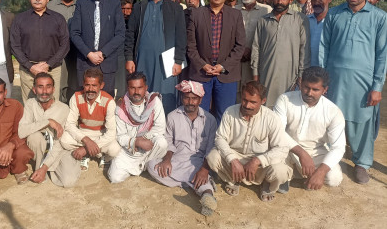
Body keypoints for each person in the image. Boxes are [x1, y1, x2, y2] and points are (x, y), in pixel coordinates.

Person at [319, 0, 387, 184]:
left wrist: (377, 86)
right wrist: (322, 79)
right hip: (335, 79)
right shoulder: (335, 14)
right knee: (332, 120)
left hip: (364, 81)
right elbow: (324, 47)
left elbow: (382, 54)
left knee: (362, 122)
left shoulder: (379, 17)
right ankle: (331, 159)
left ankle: (361, 164)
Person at [206, 81, 291, 202]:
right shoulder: (230, 112)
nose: (247, 105)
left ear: (263, 101)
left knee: (280, 171)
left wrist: (258, 161)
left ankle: (267, 185)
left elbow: (282, 148)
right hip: (236, 158)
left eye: (253, 102)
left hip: (261, 165)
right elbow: (220, 138)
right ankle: (233, 179)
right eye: (245, 100)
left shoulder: (271, 118)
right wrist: (233, 160)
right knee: (213, 157)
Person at [147, 80, 217, 216]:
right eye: (186, 98)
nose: (190, 102)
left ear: (200, 99)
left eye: (194, 98)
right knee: (151, 165)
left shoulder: (210, 119)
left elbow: (211, 148)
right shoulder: (173, 116)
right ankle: (199, 186)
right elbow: (169, 141)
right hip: (177, 159)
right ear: (181, 98)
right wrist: (167, 160)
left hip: (199, 161)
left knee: (202, 171)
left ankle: (207, 194)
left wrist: (204, 169)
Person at [273, 67, 345, 191]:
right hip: (286, 148)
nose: (309, 93)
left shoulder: (333, 111)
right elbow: (277, 131)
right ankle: (288, 175)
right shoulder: (285, 99)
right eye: (306, 87)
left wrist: (321, 172)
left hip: (315, 151)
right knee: (272, 165)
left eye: (315, 89)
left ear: (324, 90)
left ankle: (299, 174)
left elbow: (338, 147)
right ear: (300, 84)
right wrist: (302, 153)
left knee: (334, 178)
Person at [187, 0, 246, 123]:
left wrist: (223, 66)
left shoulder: (235, 15)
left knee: (225, 115)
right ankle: (200, 145)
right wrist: (203, 65)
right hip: (201, 73)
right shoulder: (196, 14)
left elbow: (240, 46)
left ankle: (220, 145)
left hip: (226, 74)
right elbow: (190, 46)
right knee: (200, 114)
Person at [125, 0, 186, 112]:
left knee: (165, 96)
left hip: (166, 62)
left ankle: (164, 130)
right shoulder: (139, 7)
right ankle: (139, 126)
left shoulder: (175, 9)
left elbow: (181, 37)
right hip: (142, 60)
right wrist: (129, 58)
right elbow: (130, 35)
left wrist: (178, 61)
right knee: (140, 93)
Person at [251, 0, 310, 107]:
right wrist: (255, 75)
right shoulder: (263, 20)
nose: (279, 2)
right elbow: (256, 48)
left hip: (290, 77)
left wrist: (301, 76)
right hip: (266, 75)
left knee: (287, 109)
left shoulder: (300, 19)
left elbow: (304, 50)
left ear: (291, 0)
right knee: (266, 111)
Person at [11, 0, 69, 105]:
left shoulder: (58, 19)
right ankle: (32, 125)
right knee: (30, 105)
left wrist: (49, 64)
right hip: (28, 71)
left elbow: (65, 45)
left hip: (52, 70)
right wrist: (30, 66)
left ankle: (51, 124)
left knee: (52, 104)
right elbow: (15, 46)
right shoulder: (19, 19)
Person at [18, 73, 79, 187]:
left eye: (48, 86)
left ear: (53, 89)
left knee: (68, 182)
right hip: (41, 146)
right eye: (40, 87)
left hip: (59, 149)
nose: (44, 91)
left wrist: (46, 166)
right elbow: (22, 131)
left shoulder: (63, 109)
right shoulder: (30, 104)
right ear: (34, 89)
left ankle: (44, 168)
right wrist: (48, 122)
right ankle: (41, 170)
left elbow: (60, 142)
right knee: (34, 137)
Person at [70, 0, 125, 97]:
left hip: (107, 62)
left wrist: (102, 53)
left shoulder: (115, 4)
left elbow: (121, 34)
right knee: (85, 99)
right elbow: (74, 33)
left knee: (106, 100)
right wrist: (88, 54)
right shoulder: (81, 4)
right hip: (85, 62)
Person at [108, 72, 167, 183]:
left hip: (149, 148)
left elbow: (160, 128)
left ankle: (147, 164)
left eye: (140, 88)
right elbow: (120, 136)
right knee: (115, 178)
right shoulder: (121, 107)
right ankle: (142, 167)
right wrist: (136, 142)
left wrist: (143, 138)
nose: (136, 92)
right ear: (128, 88)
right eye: (132, 88)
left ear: (146, 88)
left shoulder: (154, 102)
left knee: (162, 143)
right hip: (130, 150)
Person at [60, 68, 120, 172]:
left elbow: (110, 133)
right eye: (87, 85)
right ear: (83, 84)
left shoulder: (109, 101)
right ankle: (96, 153)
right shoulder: (76, 97)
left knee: (115, 149)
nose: (90, 89)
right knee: (64, 140)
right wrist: (86, 141)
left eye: (94, 85)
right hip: (83, 134)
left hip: (101, 134)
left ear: (101, 86)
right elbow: (69, 124)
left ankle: (89, 154)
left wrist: (85, 148)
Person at [235, 0, 272, 91]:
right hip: (237, 59)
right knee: (236, 93)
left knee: (253, 91)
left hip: (256, 61)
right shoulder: (234, 10)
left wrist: (252, 51)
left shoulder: (267, 10)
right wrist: (240, 51)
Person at [48, 0, 78, 102]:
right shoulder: (50, 6)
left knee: (74, 81)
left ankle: (73, 108)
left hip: (76, 50)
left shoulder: (81, 6)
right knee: (59, 80)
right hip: (57, 50)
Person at [307, 0, 335, 66]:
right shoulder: (305, 21)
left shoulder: (334, 22)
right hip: (307, 69)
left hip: (327, 70)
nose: (316, 3)